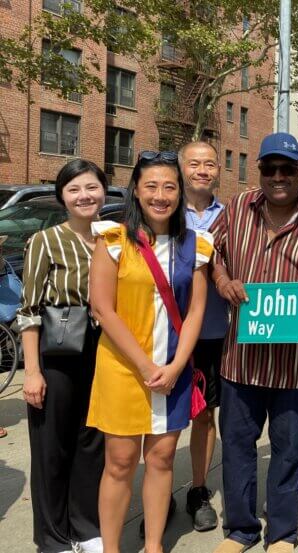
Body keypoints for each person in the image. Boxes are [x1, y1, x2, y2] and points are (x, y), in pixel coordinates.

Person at [210, 132, 298, 553]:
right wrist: (223, 280)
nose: (278, 176)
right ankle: (241, 530)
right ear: (260, 172)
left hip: (295, 366)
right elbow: (213, 254)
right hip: (241, 360)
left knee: (288, 452)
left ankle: (282, 534)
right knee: (235, 448)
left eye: (288, 168)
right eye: (270, 168)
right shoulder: (236, 208)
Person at [88, 151, 212, 553]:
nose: (161, 195)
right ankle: (112, 548)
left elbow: (195, 312)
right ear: (136, 191)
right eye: (152, 186)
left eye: (170, 186)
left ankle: (155, 545)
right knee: (120, 464)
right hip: (123, 369)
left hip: (172, 372)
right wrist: (144, 365)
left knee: (161, 461)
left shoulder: (196, 245)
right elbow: (102, 307)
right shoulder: (112, 238)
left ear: (180, 192)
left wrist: (175, 366)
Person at [18, 159, 107, 553]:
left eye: (90, 187)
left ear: (103, 190)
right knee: (52, 447)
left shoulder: (115, 237)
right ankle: (53, 537)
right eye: (73, 190)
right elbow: (29, 310)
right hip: (57, 355)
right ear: (62, 198)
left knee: (91, 444)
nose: (84, 196)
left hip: (103, 354)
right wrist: (32, 371)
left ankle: (85, 528)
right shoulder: (46, 241)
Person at [179, 141, 229, 532]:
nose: (201, 169)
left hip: (213, 332)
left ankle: (198, 489)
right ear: (181, 168)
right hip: (165, 334)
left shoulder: (229, 216)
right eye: (193, 163)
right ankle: (157, 493)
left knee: (203, 414)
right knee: (159, 421)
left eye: (208, 163)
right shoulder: (161, 210)